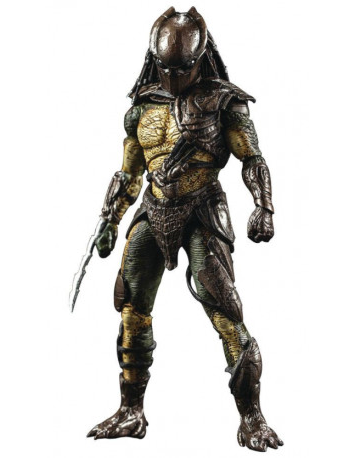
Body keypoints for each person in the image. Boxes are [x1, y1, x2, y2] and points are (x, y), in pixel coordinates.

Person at [86, 7, 282, 452]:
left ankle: (252, 418)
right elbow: (129, 172)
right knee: (131, 306)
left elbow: (253, 159)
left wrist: (264, 206)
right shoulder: (142, 107)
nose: (173, 78)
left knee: (225, 309)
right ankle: (131, 410)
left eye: (182, 69)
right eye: (166, 69)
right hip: (152, 208)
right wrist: (110, 219)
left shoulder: (225, 103)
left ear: (200, 58)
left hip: (202, 209)